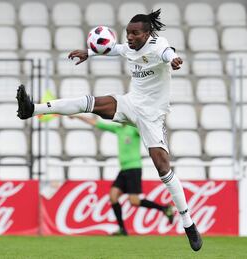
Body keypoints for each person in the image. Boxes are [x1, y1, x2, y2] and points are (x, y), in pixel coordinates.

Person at [16, 9, 202, 251]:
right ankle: (33, 109)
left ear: (147, 34)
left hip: (152, 116)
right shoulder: (130, 47)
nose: (130, 37)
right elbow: (116, 49)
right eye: (128, 33)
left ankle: (187, 223)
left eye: (135, 33)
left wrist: (173, 59)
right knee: (91, 102)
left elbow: (167, 52)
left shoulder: (158, 46)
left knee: (163, 168)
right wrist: (90, 53)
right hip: (130, 103)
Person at [71, 115, 174, 235]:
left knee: (134, 201)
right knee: (113, 196)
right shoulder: (118, 128)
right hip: (124, 169)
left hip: (133, 168)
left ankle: (164, 208)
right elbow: (95, 122)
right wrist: (77, 116)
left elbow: (147, 131)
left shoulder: (134, 129)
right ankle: (122, 229)